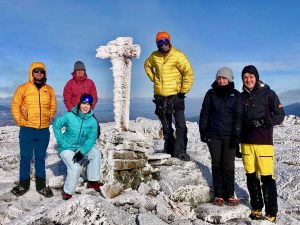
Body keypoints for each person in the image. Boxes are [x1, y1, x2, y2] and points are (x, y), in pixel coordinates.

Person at [240, 65, 285, 223]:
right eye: (245, 77)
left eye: (251, 76)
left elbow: (280, 115)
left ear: (256, 77)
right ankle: (256, 207)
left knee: (267, 178)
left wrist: (264, 122)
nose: (248, 79)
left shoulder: (268, 94)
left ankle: (271, 212)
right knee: (251, 177)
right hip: (246, 144)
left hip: (264, 142)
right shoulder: (241, 97)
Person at [144, 31, 194, 161]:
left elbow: (188, 73)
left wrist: (183, 90)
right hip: (160, 97)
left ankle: (181, 151)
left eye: (165, 41)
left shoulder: (178, 55)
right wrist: (154, 79)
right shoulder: (154, 56)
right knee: (166, 127)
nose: (164, 45)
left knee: (180, 125)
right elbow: (147, 66)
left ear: (169, 41)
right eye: (160, 42)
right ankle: (169, 149)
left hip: (176, 96)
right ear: (157, 44)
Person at [10, 62, 56, 197]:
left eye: (41, 71)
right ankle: (23, 185)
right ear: (31, 72)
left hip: (43, 130)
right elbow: (15, 106)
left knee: (40, 157)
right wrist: (21, 121)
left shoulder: (49, 89)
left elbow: (53, 106)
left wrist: (48, 118)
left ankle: (41, 186)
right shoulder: (23, 88)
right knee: (25, 157)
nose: (39, 74)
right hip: (27, 129)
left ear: (45, 73)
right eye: (36, 71)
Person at [199, 67, 242, 206]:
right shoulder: (211, 94)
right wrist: (203, 131)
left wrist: (237, 135)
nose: (221, 81)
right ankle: (218, 194)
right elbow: (204, 113)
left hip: (229, 136)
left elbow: (238, 117)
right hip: (214, 135)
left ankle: (229, 194)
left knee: (228, 165)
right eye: (219, 78)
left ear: (229, 79)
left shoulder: (236, 95)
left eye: (224, 78)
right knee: (216, 164)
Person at [52, 94, 102, 200]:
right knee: (75, 167)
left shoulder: (92, 121)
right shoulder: (69, 116)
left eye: (88, 104)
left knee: (96, 153)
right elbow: (56, 125)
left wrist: (82, 152)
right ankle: (68, 192)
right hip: (66, 148)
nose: (85, 106)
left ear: (91, 106)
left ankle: (92, 181)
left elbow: (91, 139)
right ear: (79, 103)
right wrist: (61, 142)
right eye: (83, 103)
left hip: (81, 147)